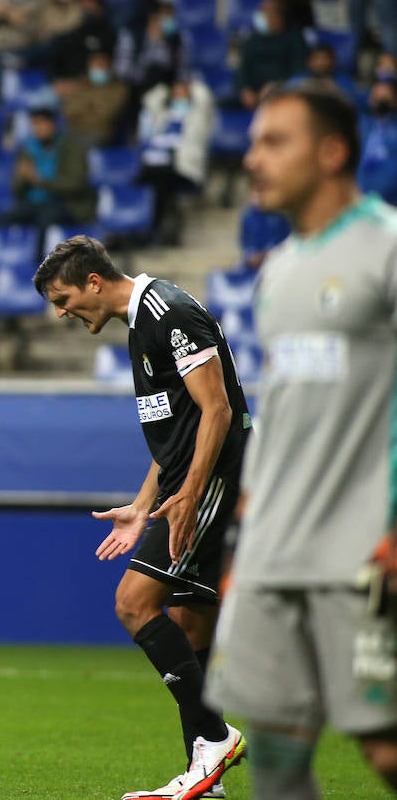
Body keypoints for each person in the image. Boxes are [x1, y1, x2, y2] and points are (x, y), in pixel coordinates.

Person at [205, 80, 397, 798]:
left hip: (362, 551)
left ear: (332, 151)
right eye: (253, 141)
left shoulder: (386, 248)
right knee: (276, 752)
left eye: (274, 141)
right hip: (269, 554)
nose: (253, 158)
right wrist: (243, 533)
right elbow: (283, 415)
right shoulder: (277, 272)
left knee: (384, 751)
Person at [32, 235, 250, 800]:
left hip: (212, 483)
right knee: (192, 625)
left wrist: (190, 493)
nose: (61, 313)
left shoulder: (169, 313)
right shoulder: (139, 326)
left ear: (94, 283)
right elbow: (173, 434)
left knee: (133, 602)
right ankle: (207, 776)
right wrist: (141, 505)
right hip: (185, 486)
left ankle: (214, 738)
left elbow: (218, 408)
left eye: (63, 298)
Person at [137, 78, 215, 245]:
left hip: (185, 169)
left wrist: (191, 83)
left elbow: (205, 98)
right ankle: (146, 228)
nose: (179, 95)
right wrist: (165, 86)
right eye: (176, 92)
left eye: (183, 92)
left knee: (160, 181)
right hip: (158, 167)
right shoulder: (163, 116)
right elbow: (150, 100)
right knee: (150, 179)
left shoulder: (198, 117)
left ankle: (153, 229)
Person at [7, 105, 95, 232]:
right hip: (33, 203)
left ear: (53, 124)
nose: (39, 128)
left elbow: (75, 184)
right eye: (35, 123)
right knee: (5, 220)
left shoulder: (71, 147)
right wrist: (22, 177)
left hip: (66, 204)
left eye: (43, 122)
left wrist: (40, 180)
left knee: (44, 219)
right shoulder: (29, 149)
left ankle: (41, 252)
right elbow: (16, 189)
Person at [233, 0, 309, 111]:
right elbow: (242, 69)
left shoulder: (295, 39)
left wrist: (277, 87)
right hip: (252, 97)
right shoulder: (253, 39)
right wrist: (245, 90)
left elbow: (298, 71)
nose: (263, 16)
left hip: (283, 94)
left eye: (268, 12)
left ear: (280, 16)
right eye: (262, 12)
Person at [60, 49, 131, 148]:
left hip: (100, 133)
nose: (99, 68)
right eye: (96, 65)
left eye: (102, 65)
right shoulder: (80, 84)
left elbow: (107, 113)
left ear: (110, 66)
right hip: (75, 131)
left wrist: (84, 102)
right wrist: (92, 104)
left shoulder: (119, 88)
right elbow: (68, 110)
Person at [361, 78, 397, 204]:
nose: (378, 100)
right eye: (375, 96)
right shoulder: (361, 125)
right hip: (359, 196)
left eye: (384, 98)